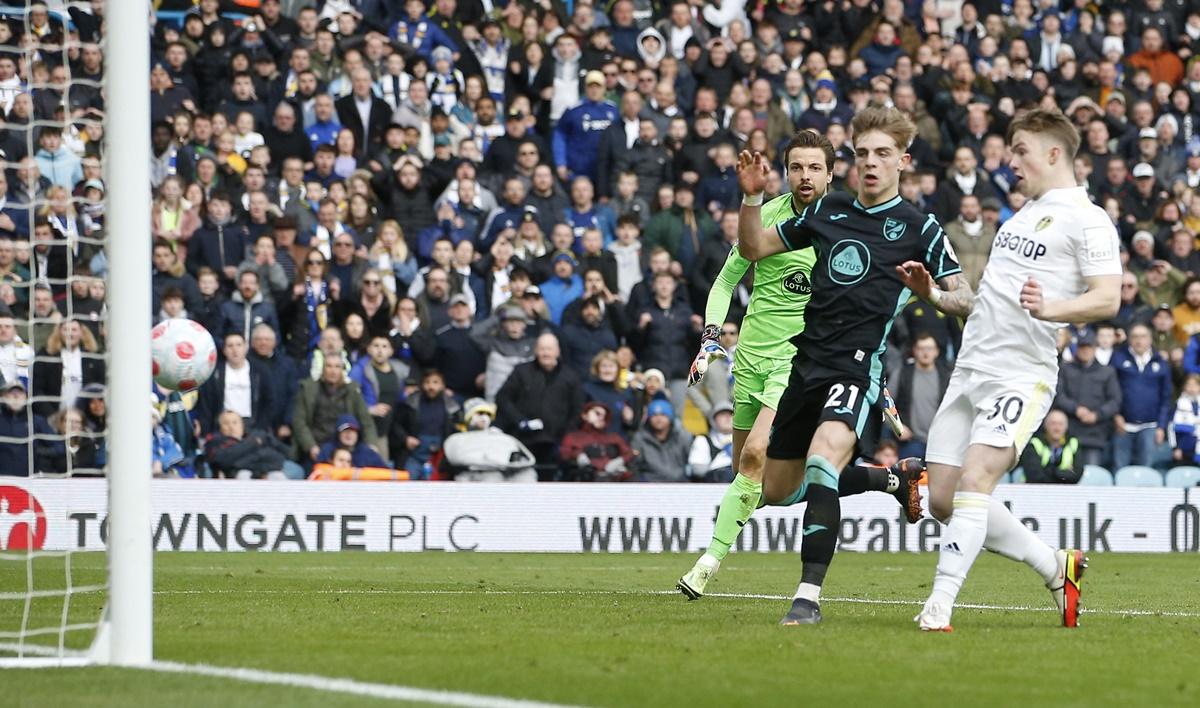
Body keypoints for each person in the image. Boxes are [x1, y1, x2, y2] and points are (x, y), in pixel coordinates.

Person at [734, 107, 966, 625]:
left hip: (857, 370)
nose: (870, 163)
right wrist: (752, 197)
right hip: (805, 365)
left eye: (883, 154)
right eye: (862, 154)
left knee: (822, 461)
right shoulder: (829, 210)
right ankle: (890, 480)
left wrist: (930, 294)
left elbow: (966, 299)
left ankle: (807, 598)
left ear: (903, 161)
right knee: (776, 491)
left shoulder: (919, 226)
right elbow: (753, 247)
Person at [679, 127, 929, 605]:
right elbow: (724, 281)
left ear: (833, 173)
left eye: (816, 167)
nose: (805, 175)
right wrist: (711, 337)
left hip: (800, 363)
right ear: (785, 172)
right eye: (797, 166)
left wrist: (870, 368)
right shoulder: (768, 221)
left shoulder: (843, 225)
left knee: (754, 458)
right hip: (750, 360)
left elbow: (872, 303)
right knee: (767, 485)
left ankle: (706, 564)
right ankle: (891, 479)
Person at [915, 109, 1122, 632]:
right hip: (970, 368)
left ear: (1054, 154)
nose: (1011, 161)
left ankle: (939, 604)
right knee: (943, 497)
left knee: (978, 477)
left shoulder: (1088, 218)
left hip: (1021, 373)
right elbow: (987, 301)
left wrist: (1052, 309)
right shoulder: (1021, 217)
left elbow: (1108, 298)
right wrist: (936, 297)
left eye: (1020, 150)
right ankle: (1057, 566)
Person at [495, 333, 583, 478]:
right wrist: (520, 421)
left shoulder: (570, 376)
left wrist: (567, 434)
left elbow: (577, 409)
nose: (545, 353)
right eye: (542, 349)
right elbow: (503, 398)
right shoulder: (521, 371)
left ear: (557, 351)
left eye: (549, 349)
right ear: (535, 350)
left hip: (555, 442)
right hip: (522, 440)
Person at [1111, 323, 1174, 470]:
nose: (1139, 340)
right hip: (1123, 424)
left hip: (1150, 425)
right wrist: (1115, 415)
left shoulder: (1161, 363)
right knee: (1120, 469)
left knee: (1146, 469)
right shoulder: (1118, 359)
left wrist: (1161, 426)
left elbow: (1166, 397)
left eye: (1143, 336)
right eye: (1135, 336)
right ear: (1130, 340)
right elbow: (1110, 390)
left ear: (1150, 339)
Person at [293, 356, 377, 464]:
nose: (333, 371)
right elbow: (299, 422)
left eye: (337, 367)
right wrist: (311, 446)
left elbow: (366, 421)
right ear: (323, 369)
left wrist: (371, 444)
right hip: (317, 446)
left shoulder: (353, 391)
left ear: (342, 369)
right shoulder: (308, 389)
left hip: (346, 447)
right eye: (329, 366)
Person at [1054, 331, 1121, 466]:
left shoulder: (1107, 372)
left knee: (1091, 475)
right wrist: (1076, 409)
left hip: (1095, 433)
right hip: (1068, 432)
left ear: (1095, 348)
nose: (1085, 350)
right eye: (1082, 347)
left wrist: (1097, 415)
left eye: (1089, 347)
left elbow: (1115, 401)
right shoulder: (1065, 369)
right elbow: (1058, 395)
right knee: (1066, 472)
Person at [442, 398, 538, 482]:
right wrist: (489, 463)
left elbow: (523, 459)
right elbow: (457, 458)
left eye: (488, 414)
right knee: (493, 477)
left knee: (527, 476)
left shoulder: (501, 437)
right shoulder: (457, 439)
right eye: (480, 413)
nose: (484, 417)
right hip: (476, 474)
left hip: (505, 472)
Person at [559, 401, 636, 482]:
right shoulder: (573, 437)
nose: (601, 418)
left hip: (613, 480)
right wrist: (577, 455)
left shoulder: (613, 437)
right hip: (585, 481)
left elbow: (629, 453)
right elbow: (564, 453)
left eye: (605, 416)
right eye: (597, 413)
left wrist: (620, 460)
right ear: (585, 415)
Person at [630, 398, 693, 481]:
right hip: (649, 486)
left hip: (680, 484)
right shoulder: (640, 438)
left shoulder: (682, 436)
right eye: (654, 415)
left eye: (663, 415)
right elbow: (634, 466)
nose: (659, 419)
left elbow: (692, 462)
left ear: (670, 417)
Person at [1020, 410, 1085, 484]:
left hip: (1065, 493)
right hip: (1036, 491)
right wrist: (1063, 473)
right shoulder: (1034, 444)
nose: (1057, 428)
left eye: (1061, 424)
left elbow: (1076, 476)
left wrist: (1048, 471)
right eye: (1053, 423)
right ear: (1045, 425)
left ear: (1066, 427)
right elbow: (1035, 476)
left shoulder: (1073, 443)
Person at [688, 401, 736, 483]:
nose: (728, 417)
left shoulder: (748, 440)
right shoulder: (703, 440)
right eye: (722, 414)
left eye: (731, 414)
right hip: (714, 483)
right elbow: (698, 470)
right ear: (713, 420)